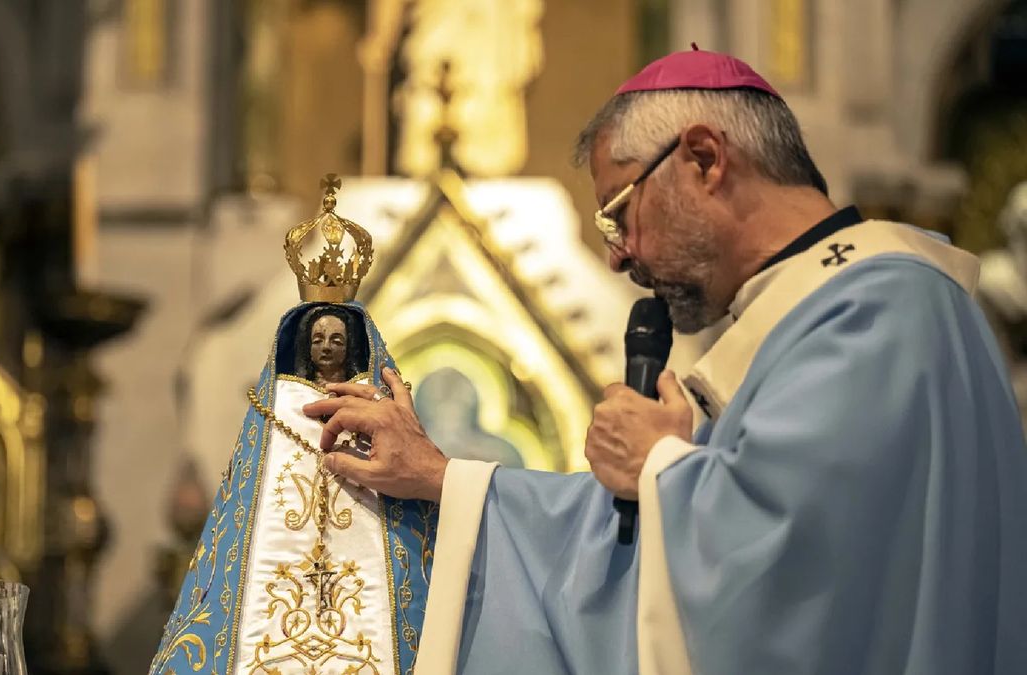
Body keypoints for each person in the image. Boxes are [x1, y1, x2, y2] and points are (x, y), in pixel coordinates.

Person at [303, 47, 1027, 674]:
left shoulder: (880, 312)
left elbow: (790, 580)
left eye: (619, 210)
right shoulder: (822, 316)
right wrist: (443, 479)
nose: (617, 252)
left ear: (706, 160)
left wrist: (661, 465)